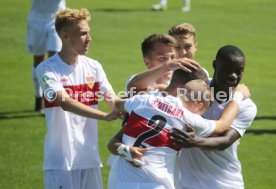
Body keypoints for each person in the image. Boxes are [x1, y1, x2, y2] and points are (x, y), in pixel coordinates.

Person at [107, 68, 250, 189]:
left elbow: (118, 103)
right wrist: (238, 95)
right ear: (199, 105)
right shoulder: (188, 118)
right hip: (155, 184)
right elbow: (222, 126)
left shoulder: (144, 99)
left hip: (119, 180)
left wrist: (120, 110)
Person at [36, 8, 118, 189]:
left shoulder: (94, 67)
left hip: (89, 159)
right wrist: (104, 116)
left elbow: (113, 100)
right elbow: (64, 102)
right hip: (60, 163)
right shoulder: (46, 69)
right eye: (82, 34)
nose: (89, 38)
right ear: (65, 36)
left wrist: (144, 98)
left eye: (88, 33)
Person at [171, 45, 257, 189]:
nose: (234, 76)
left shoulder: (246, 106)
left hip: (224, 183)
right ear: (215, 65)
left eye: (239, 71)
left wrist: (195, 141)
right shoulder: (195, 89)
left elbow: (225, 141)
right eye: (228, 69)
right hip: (185, 183)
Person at [26, 0, 66, 112]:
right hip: (37, 20)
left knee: (55, 60)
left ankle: (52, 100)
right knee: (38, 61)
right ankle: (38, 97)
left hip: (57, 18)